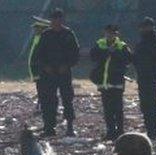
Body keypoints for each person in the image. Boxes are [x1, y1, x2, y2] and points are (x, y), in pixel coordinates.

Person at [33, 8, 79, 137]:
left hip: (63, 72)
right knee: (48, 100)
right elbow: (39, 54)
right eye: (54, 19)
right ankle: (49, 127)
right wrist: (45, 66)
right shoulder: (46, 34)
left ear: (62, 20)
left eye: (59, 19)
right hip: (48, 73)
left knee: (67, 99)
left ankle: (70, 126)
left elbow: (75, 53)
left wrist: (67, 65)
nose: (56, 22)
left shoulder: (68, 34)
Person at [90, 24, 131, 141]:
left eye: (112, 33)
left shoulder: (122, 46)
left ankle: (120, 131)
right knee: (107, 109)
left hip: (117, 83)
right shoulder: (100, 44)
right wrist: (107, 52)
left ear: (116, 34)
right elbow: (93, 56)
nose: (109, 35)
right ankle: (110, 131)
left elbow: (127, 60)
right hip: (104, 83)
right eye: (108, 33)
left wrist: (114, 53)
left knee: (118, 108)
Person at [132, 17, 156, 140]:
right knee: (145, 105)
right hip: (142, 78)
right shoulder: (140, 43)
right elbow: (134, 59)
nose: (144, 29)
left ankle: (155, 131)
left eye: (146, 27)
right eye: (143, 27)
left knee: (153, 105)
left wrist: (154, 59)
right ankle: (150, 130)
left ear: (152, 27)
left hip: (153, 78)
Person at [27, 17, 49, 113]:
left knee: (44, 89)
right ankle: (41, 106)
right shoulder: (37, 38)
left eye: (37, 28)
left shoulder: (44, 39)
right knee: (40, 89)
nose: (35, 30)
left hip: (42, 70)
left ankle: (44, 107)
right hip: (36, 69)